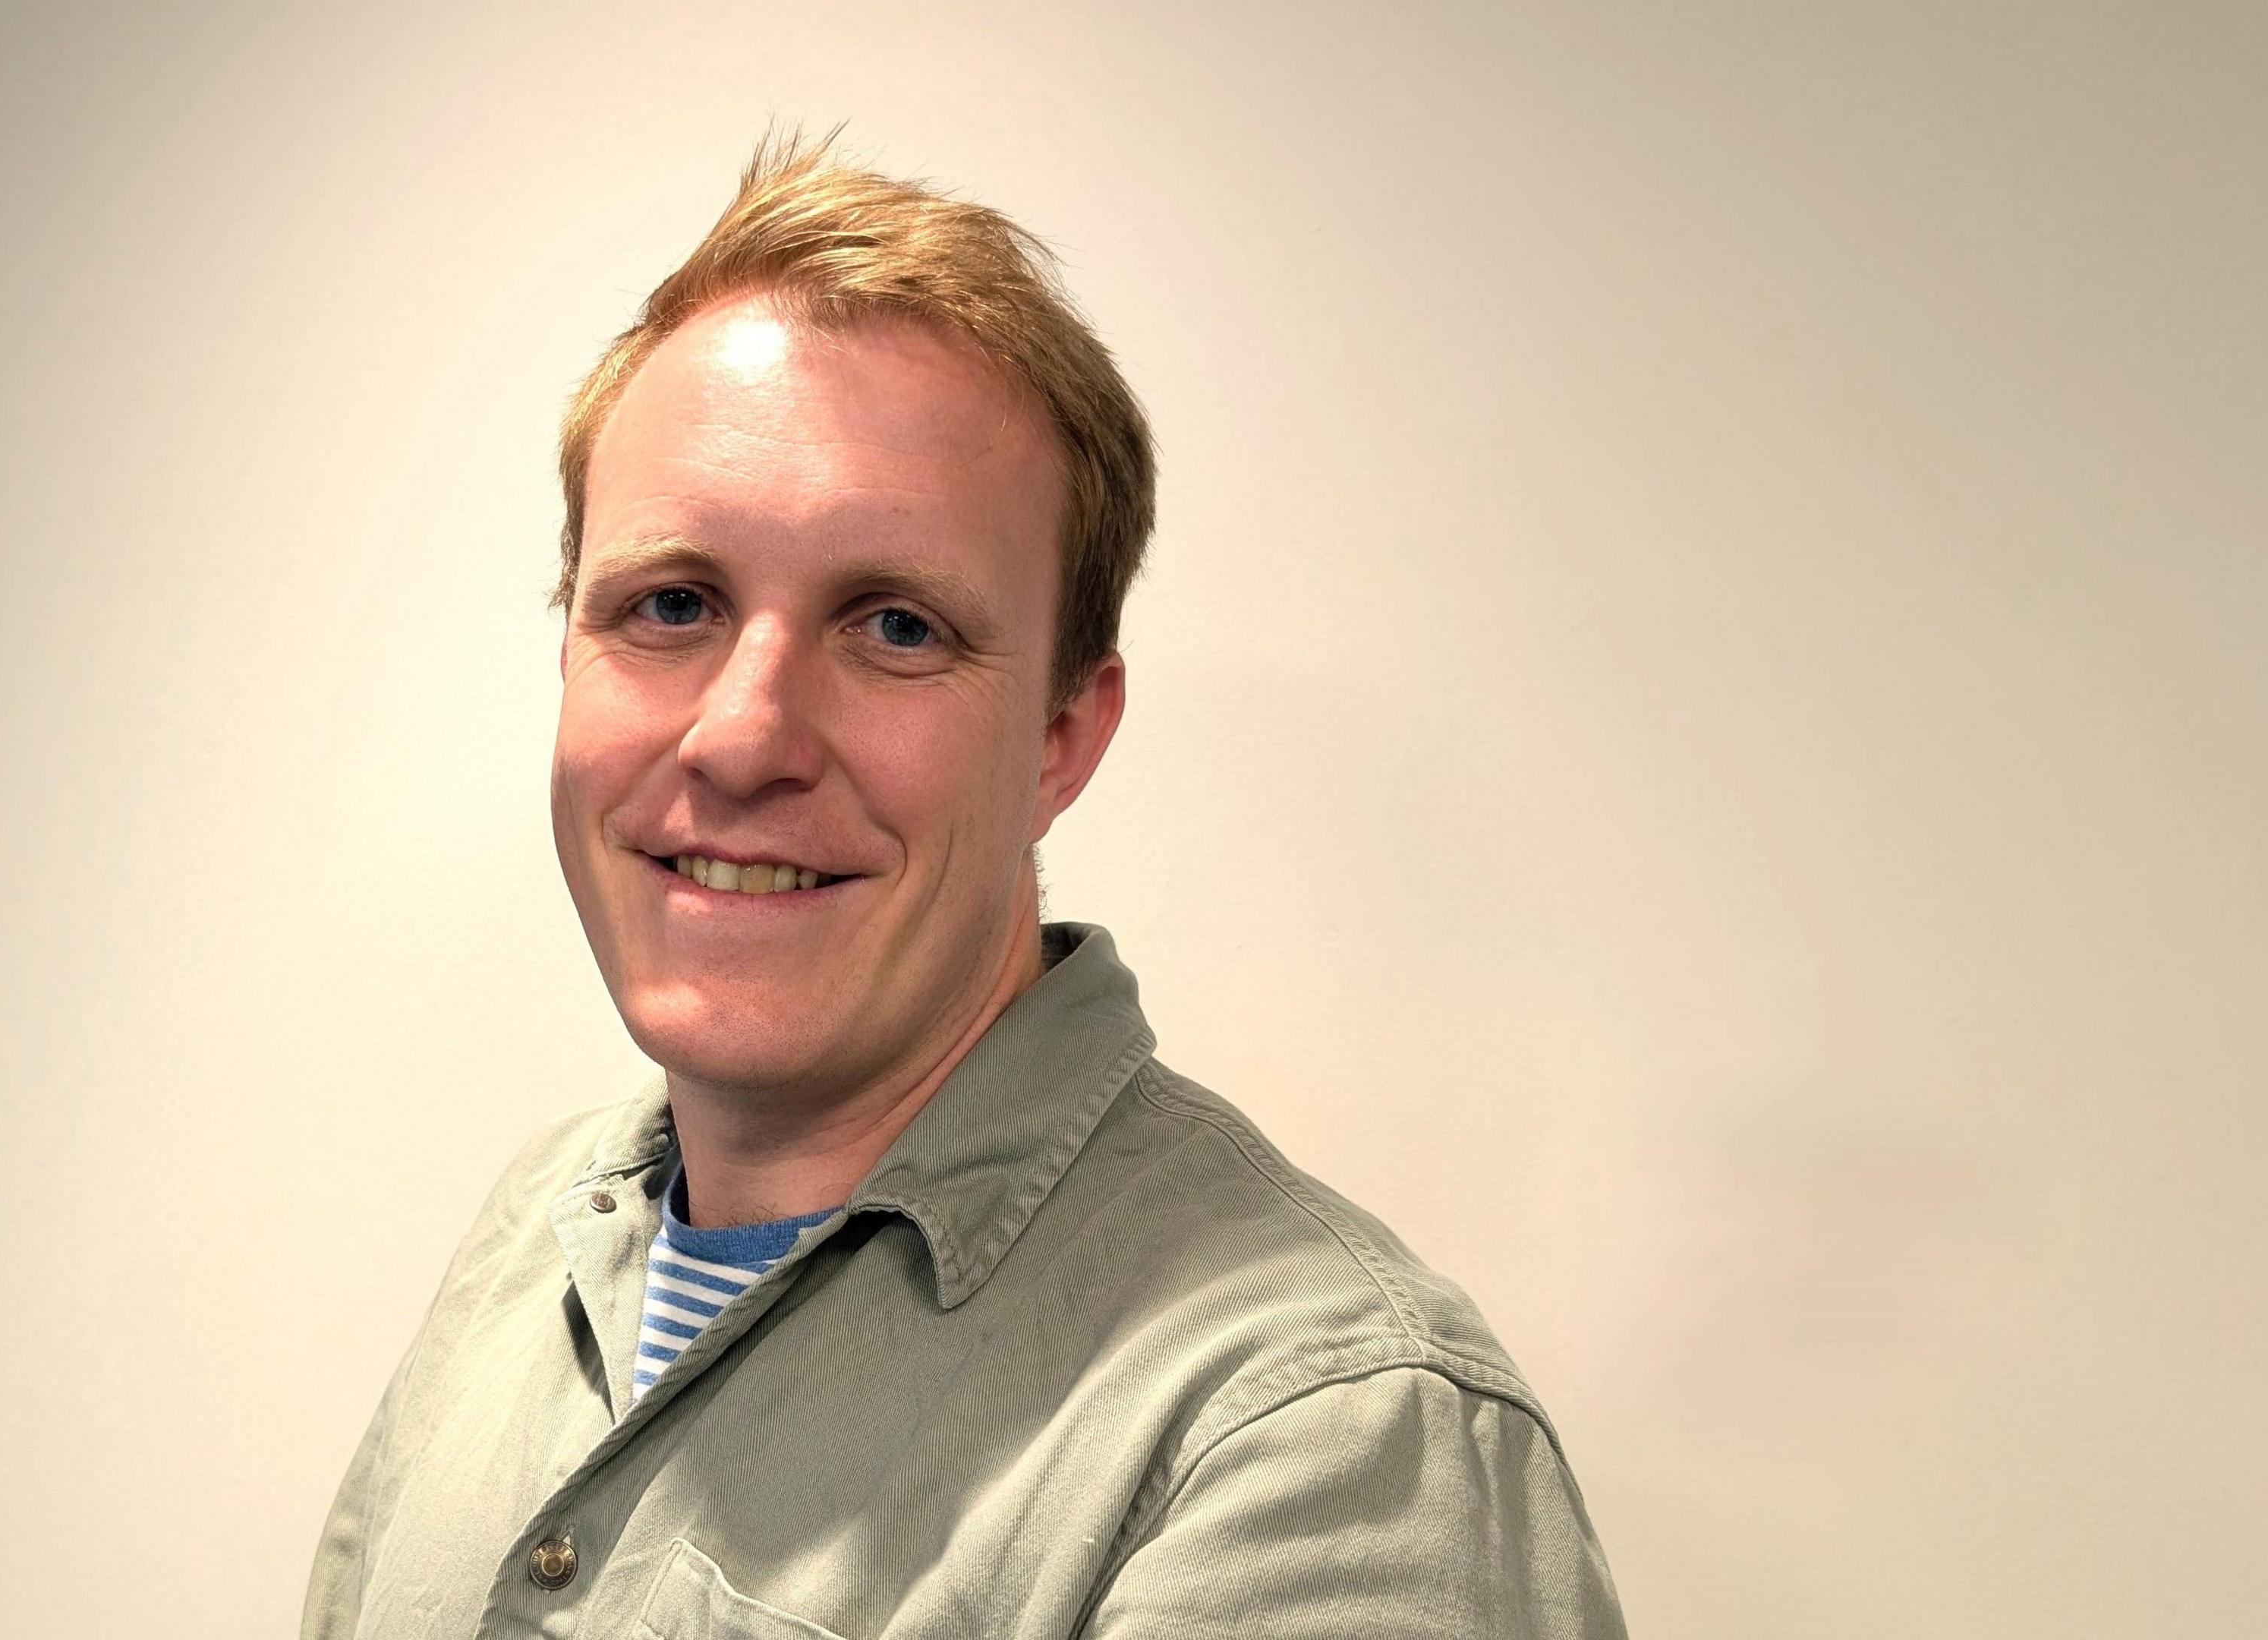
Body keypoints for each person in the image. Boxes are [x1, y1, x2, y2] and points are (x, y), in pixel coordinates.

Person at [301, 132, 1626, 1639]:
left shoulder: (1317, 1447)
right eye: (670, 605)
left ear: (1063, 735)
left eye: (895, 628)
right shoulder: (535, 1234)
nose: (741, 736)